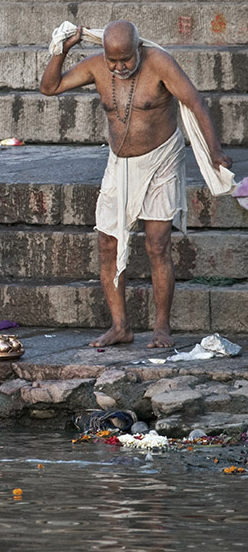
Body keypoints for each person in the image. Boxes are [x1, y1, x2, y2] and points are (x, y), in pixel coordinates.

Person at [40, 20, 233, 349]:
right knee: (107, 245)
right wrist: (63, 48)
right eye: (113, 61)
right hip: (119, 165)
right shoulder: (97, 67)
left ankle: (162, 329)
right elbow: (50, 87)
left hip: (161, 160)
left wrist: (215, 151)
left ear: (137, 49)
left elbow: (196, 102)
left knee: (157, 245)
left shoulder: (159, 62)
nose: (119, 67)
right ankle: (120, 327)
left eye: (126, 60)